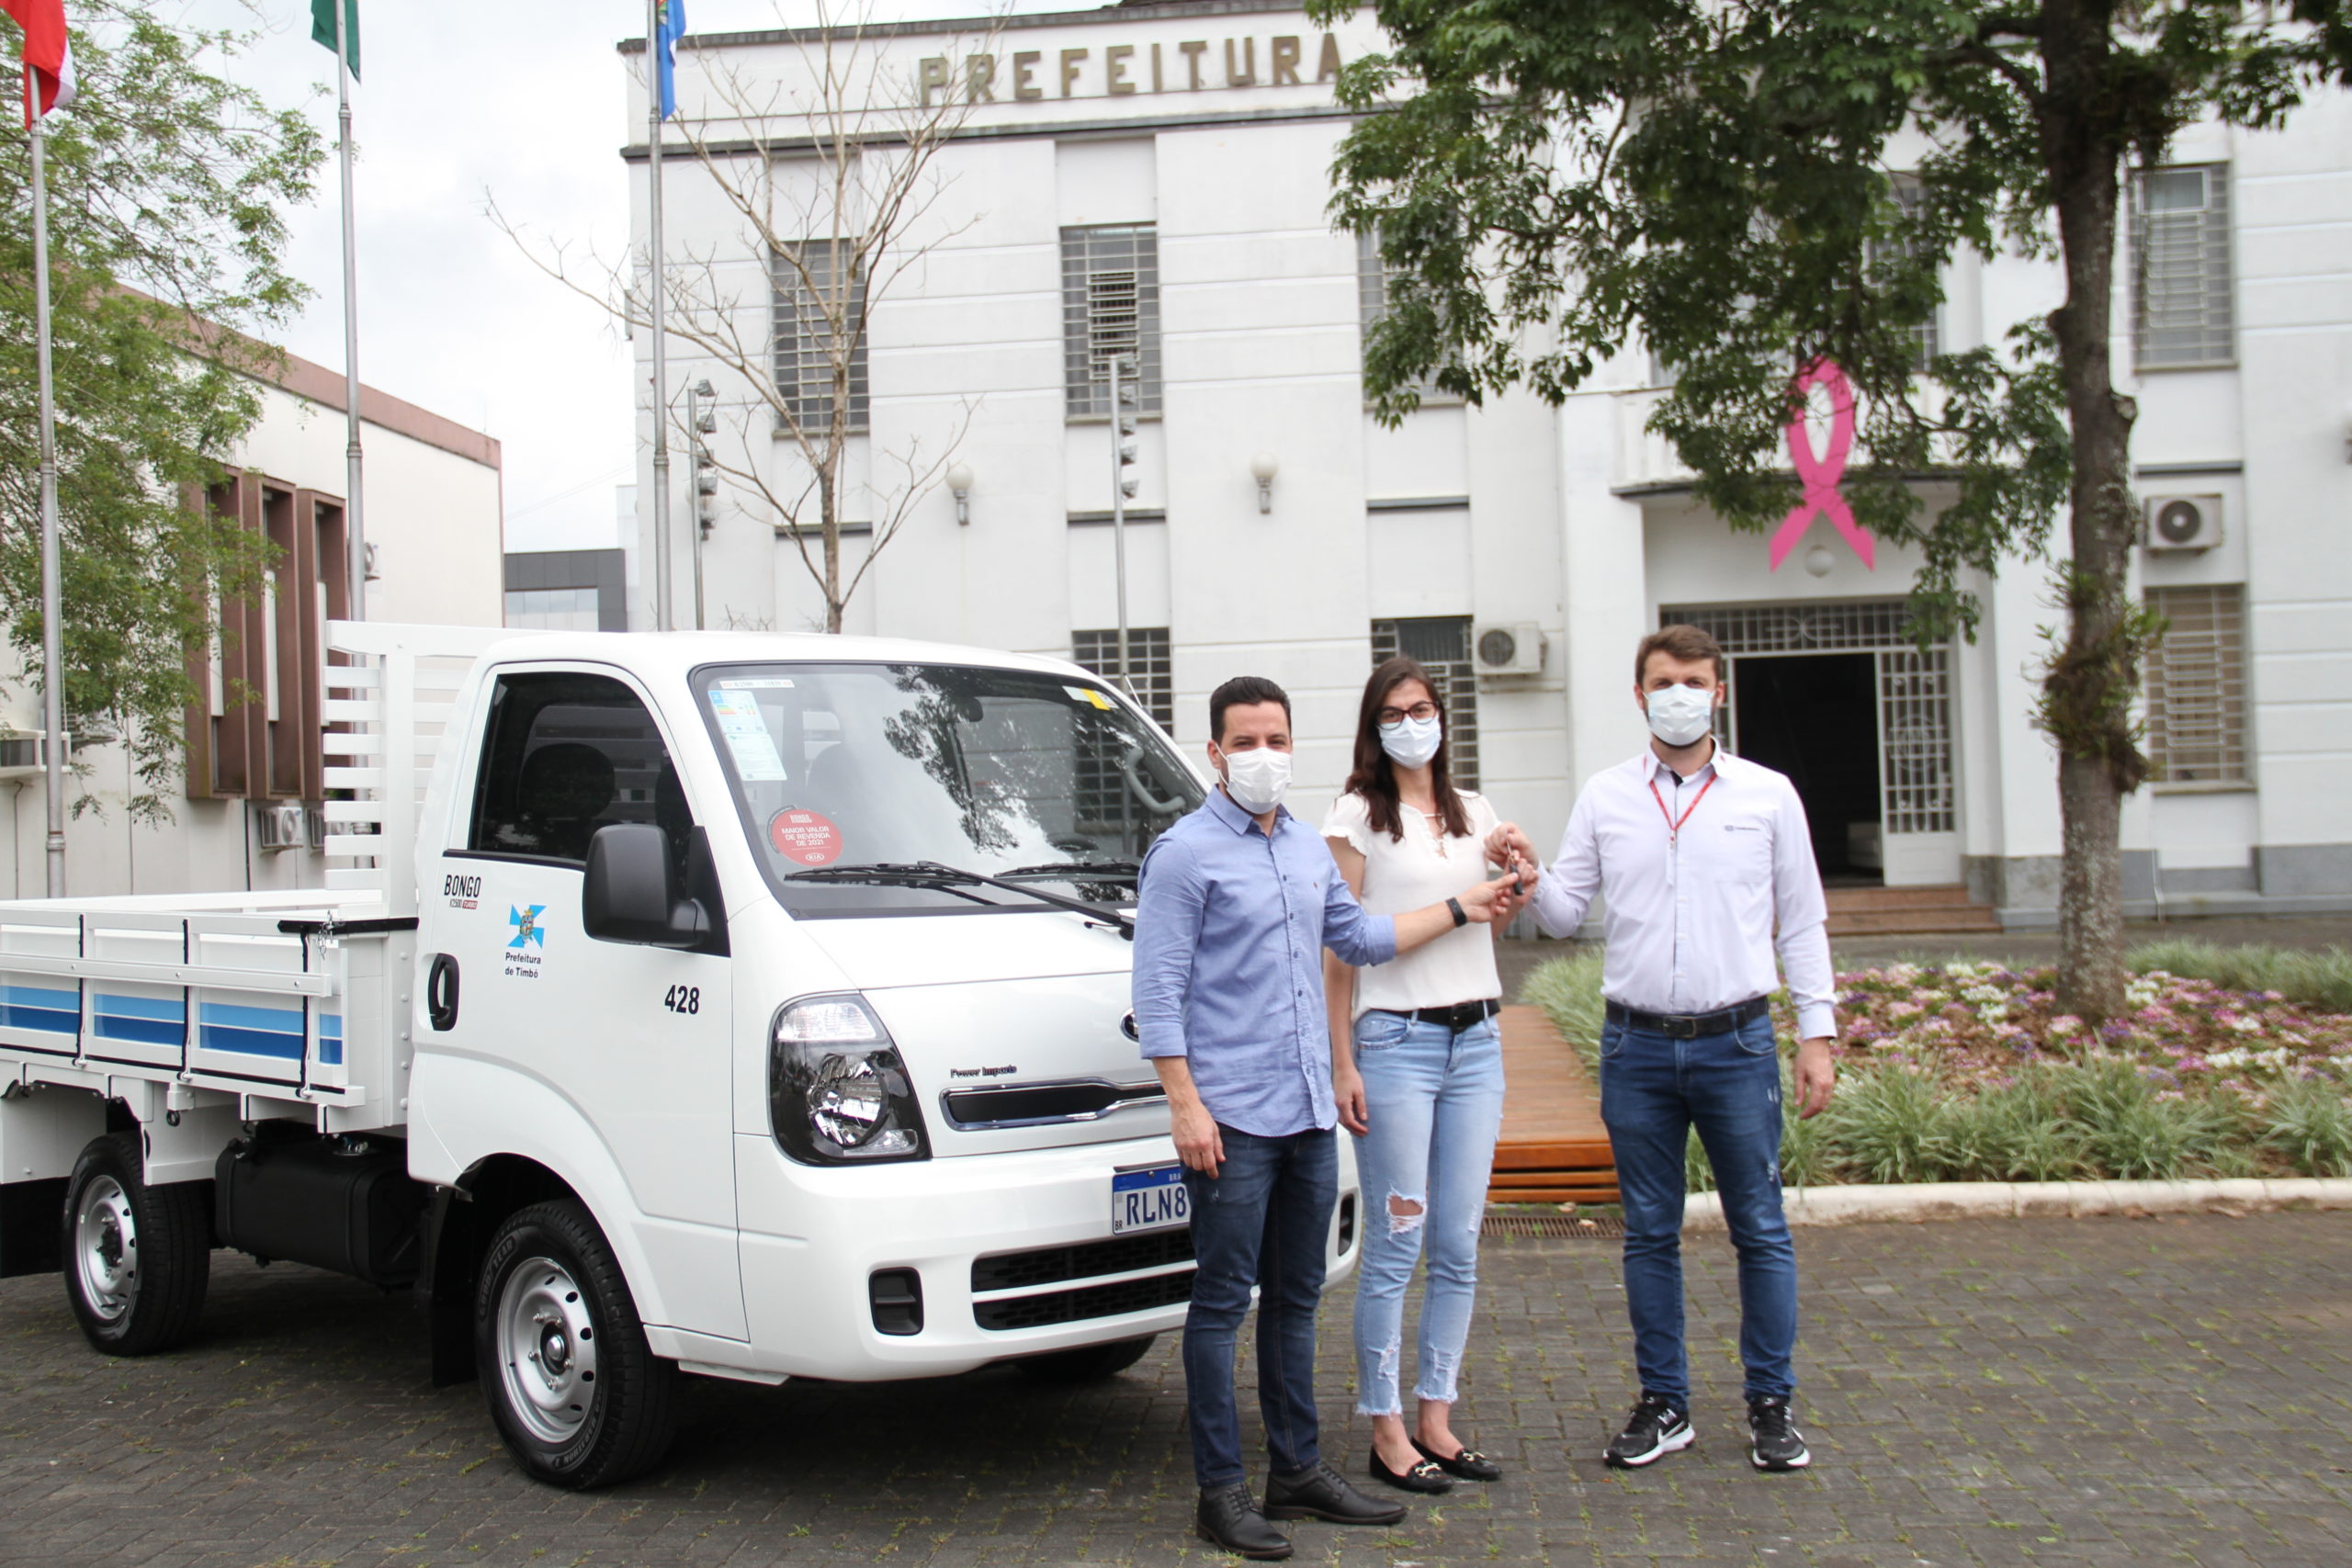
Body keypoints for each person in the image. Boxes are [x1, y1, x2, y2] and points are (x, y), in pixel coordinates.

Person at [1133, 674, 1522, 1562]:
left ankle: (1298, 1470)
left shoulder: (1308, 847)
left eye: (1276, 739)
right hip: (1231, 1118)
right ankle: (1221, 1491)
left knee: (1296, 1298)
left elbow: (1362, 939)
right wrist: (1184, 1104)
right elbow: (1156, 993)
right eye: (1245, 741)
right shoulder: (1184, 854)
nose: (1263, 755)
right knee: (1220, 1304)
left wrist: (1462, 906)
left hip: (1307, 1113)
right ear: (1215, 753)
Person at [1528, 625, 1838, 1474]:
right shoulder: (1606, 795)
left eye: (1695, 681)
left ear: (1718, 692)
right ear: (1639, 695)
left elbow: (1802, 919)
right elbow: (1563, 914)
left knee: (1760, 1228)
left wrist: (1817, 1033)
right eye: (1664, 682)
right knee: (1648, 1232)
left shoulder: (1768, 794)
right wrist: (1528, 871)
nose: (1680, 695)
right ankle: (1665, 1403)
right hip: (1636, 1046)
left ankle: (1771, 1403)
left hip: (1737, 1042)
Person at [1321, 658, 1536, 1495]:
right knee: (1397, 1244)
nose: (1412, 723)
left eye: (1423, 708)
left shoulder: (1474, 810)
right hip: (1395, 1043)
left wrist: (1514, 884)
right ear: (1373, 728)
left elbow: (1494, 920)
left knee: (1457, 1243)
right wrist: (1342, 1058)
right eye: (1394, 712)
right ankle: (1386, 1427)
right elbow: (1341, 947)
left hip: (1476, 1038)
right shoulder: (1355, 815)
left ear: (1444, 716)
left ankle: (1437, 1418)